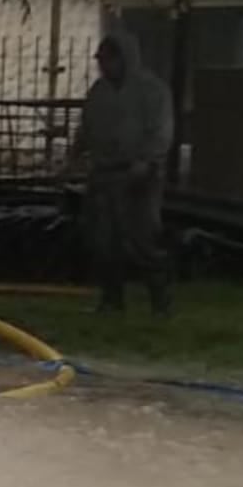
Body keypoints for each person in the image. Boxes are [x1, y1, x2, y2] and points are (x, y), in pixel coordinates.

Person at [70, 34, 174, 316]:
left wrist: (147, 160)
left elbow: (161, 131)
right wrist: (75, 155)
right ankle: (111, 301)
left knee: (142, 239)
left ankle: (161, 303)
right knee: (104, 241)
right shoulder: (99, 92)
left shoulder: (152, 91)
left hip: (138, 175)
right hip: (104, 174)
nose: (104, 66)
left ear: (124, 58)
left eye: (109, 59)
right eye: (101, 60)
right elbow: (86, 127)